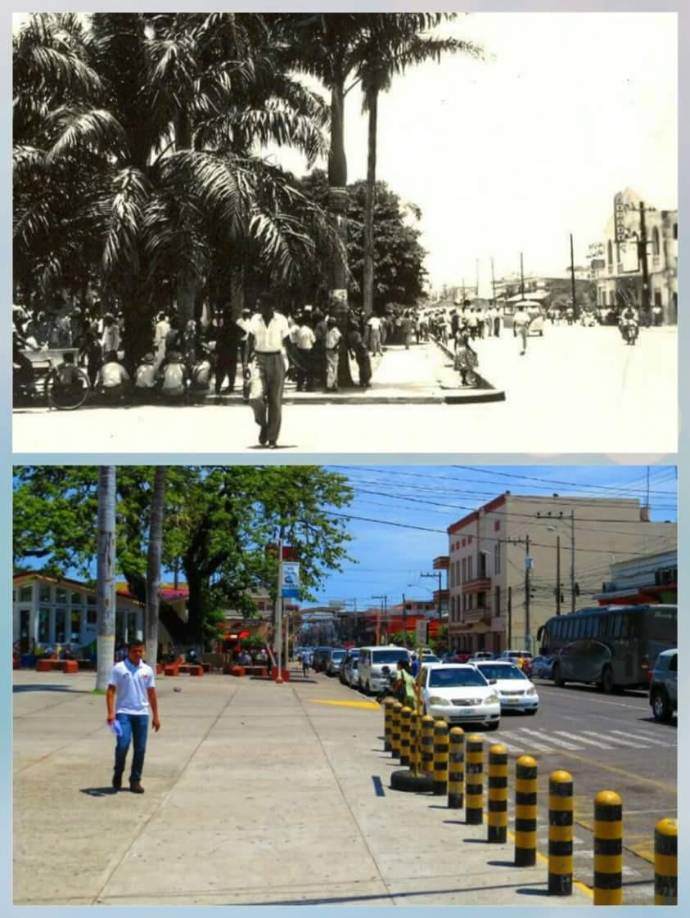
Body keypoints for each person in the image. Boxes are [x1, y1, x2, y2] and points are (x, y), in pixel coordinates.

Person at [106, 638, 160, 794]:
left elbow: (151, 693)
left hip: (142, 714)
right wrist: (111, 713)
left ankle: (135, 780)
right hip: (123, 713)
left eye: (140, 651)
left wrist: (156, 716)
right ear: (128, 652)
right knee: (123, 744)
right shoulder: (119, 668)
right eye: (134, 651)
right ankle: (118, 771)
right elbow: (110, 691)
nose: (138, 654)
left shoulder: (147, 670)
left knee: (140, 749)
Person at [247, 292, 291, 448]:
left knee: (275, 401)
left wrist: (291, 364)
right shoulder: (254, 320)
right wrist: (246, 363)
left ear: (270, 306)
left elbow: (287, 343)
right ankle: (263, 424)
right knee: (255, 397)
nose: (258, 307)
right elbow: (249, 341)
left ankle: (272, 438)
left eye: (261, 305)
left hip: (276, 359)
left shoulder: (281, 320)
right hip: (259, 359)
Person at [324, 317, 342, 392]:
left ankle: (329, 385)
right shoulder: (328, 330)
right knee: (332, 368)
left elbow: (340, 338)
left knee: (332, 368)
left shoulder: (335, 330)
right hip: (328, 350)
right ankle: (334, 385)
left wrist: (336, 347)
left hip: (333, 351)